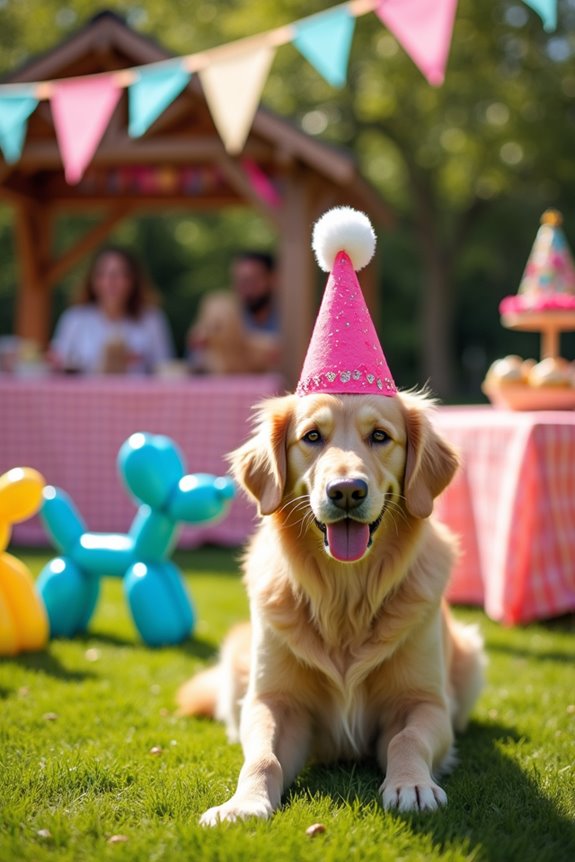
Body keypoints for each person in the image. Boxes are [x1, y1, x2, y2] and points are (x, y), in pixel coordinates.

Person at [50, 246, 174, 375]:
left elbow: (164, 369)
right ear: (92, 280)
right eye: (102, 274)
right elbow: (58, 365)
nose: (110, 281)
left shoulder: (152, 319)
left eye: (119, 274)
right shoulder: (75, 319)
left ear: (133, 280)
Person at [230, 251, 279, 335]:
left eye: (253, 280)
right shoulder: (230, 321)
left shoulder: (290, 319)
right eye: (241, 281)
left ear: (272, 280)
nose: (246, 288)